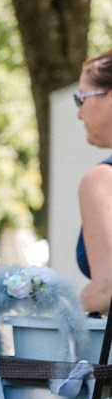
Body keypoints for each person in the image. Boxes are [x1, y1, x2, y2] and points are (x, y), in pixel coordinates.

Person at [74, 50, 112, 313]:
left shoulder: (102, 179)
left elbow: (107, 289)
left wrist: (54, 312)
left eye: (81, 99)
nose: (79, 114)